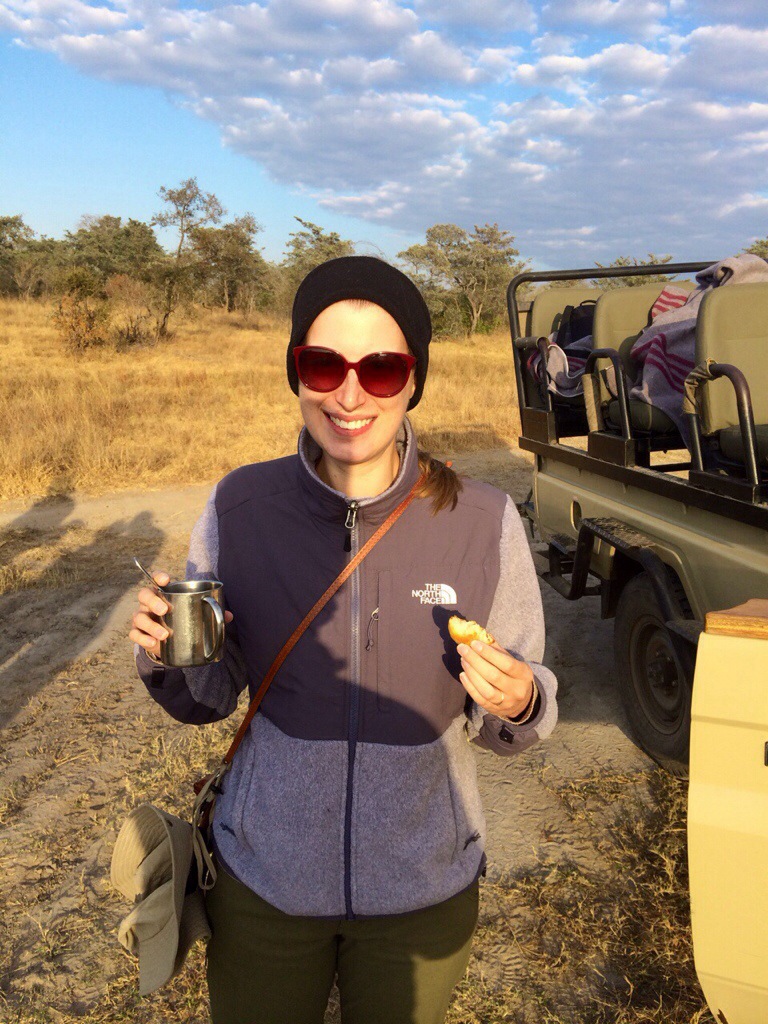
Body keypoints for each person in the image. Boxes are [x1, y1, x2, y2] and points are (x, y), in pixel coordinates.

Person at [129, 255, 558, 1024]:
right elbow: (211, 695)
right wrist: (169, 654)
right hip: (265, 885)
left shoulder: (483, 521)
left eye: (382, 368)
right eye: (323, 363)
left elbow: (518, 716)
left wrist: (522, 699)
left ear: (414, 379)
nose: (350, 392)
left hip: (422, 892)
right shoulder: (240, 505)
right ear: (296, 373)